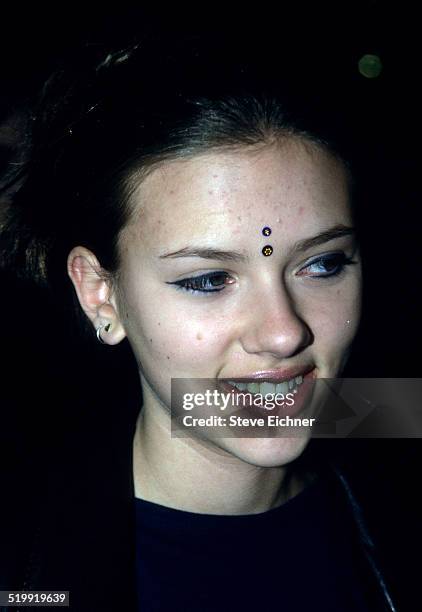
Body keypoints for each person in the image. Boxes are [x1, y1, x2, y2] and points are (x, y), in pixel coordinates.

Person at [0, 32, 402, 612]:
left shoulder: (393, 445)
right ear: (100, 294)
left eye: (322, 264)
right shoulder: (25, 571)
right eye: (209, 280)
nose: (284, 332)